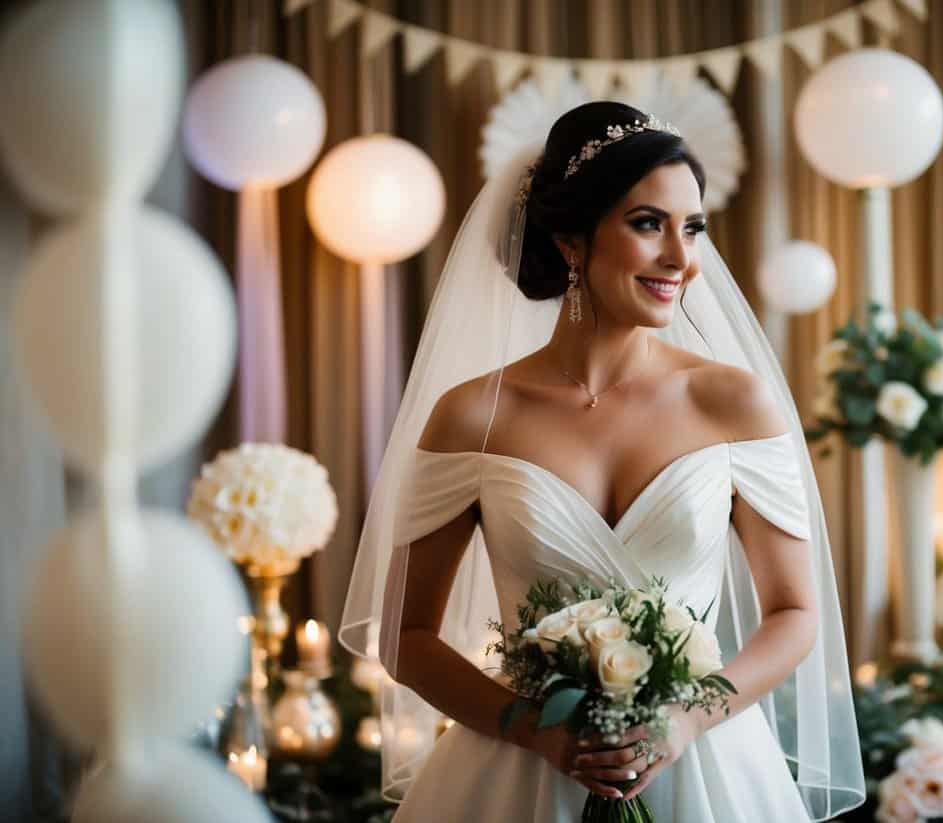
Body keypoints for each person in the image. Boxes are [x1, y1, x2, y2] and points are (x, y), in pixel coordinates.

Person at [339, 101, 864, 822]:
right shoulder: (473, 415)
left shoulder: (733, 402)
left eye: (693, 227)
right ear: (570, 241)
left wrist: (686, 720)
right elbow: (407, 634)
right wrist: (535, 729)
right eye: (649, 224)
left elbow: (795, 612)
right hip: (517, 778)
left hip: (706, 770)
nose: (681, 259)